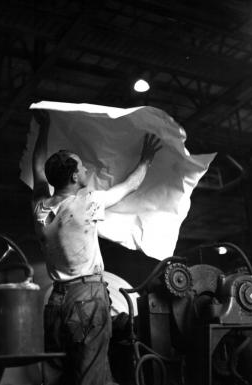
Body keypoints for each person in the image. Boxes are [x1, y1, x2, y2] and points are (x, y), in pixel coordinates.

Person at [31, 109, 162, 385]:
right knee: (92, 375)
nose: (87, 169)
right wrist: (146, 159)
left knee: (60, 375)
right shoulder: (87, 203)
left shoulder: (40, 206)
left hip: (55, 303)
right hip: (86, 299)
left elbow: (38, 167)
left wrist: (44, 128)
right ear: (74, 178)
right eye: (81, 167)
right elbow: (131, 186)